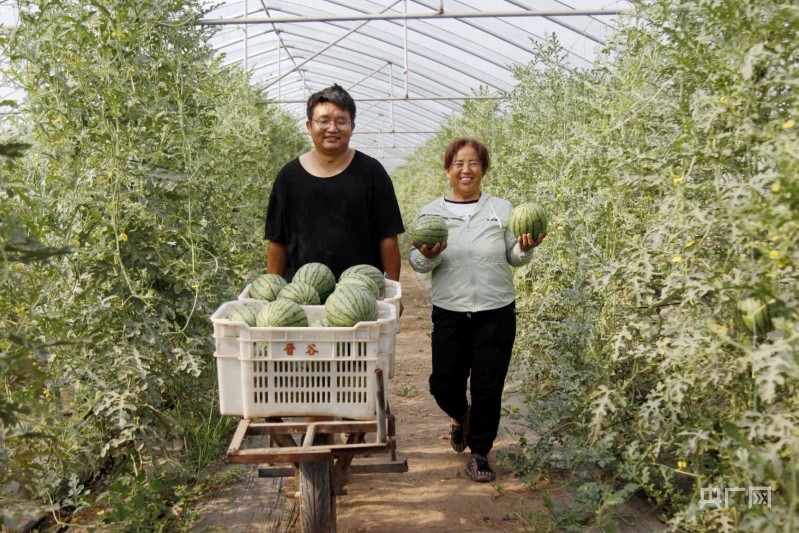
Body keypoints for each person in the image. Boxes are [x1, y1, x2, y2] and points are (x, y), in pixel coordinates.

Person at [408, 137, 545, 482]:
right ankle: (460, 417)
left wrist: (527, 248)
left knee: (488, 385)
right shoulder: (431, 214)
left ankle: (480, 453)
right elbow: (417, 263)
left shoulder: (502, 208)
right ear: (447, 170)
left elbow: (513, 257)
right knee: (444, 384)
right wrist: (427, 255)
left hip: (495, 310)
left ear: (483, 169)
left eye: (473, 163)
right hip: (450, 311)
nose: (465, 170)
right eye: (458, 163)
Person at [265, 83, 404, 283]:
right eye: (324, 121)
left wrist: (393, 288)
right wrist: (272, 290)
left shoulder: (372, 172)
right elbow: (278, 241)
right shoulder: (289, 176)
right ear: (309, 126)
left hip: (362, 292)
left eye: (341, 121)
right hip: (302, 295)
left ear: (352, 127)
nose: (332, 128)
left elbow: (388, 237)